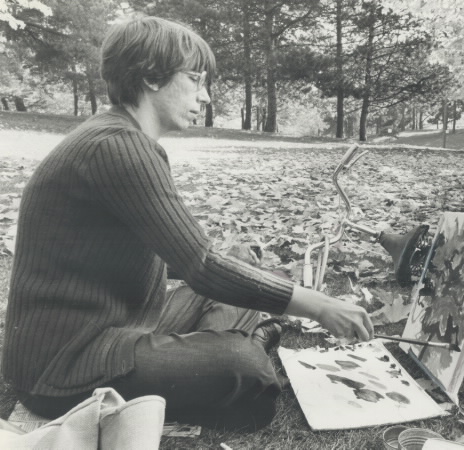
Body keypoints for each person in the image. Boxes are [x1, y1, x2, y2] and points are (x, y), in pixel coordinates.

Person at [1, 16, 373, 430]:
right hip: (64, 367)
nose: (206, 96)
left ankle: (240, 342)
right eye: (196, 79)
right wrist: (318, 305)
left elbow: (176, 255)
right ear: (151, 76)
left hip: (118, 327)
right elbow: (202, 265)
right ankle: (251, 344)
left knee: (244, 282)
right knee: (245, 368)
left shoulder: (120, 138)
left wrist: (239, 271)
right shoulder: (118, 147)